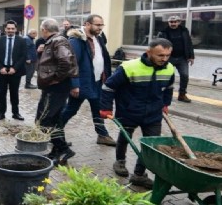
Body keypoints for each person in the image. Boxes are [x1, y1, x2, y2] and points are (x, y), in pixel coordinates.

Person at [100, 38, 175, 189]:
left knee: (150, 145)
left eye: (168, 55)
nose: (164, 59)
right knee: (124, 138)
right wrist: (106, 108)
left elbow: (169, 88)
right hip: (129, 110)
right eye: (160, 55)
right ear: (149, 52)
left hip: (153, 113)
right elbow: (108, 86)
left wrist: (165, 104)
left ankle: (139, 175)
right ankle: (120, 161)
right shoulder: (129, 67)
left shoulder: (169, 68)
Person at [61, 14, 116, 146]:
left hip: (97, 82)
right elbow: (72, 64)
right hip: (82, 83)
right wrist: (74, 85)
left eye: (102, 25)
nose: (100, 28)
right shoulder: (77, 40)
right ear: (87, 24)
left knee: (98, 108)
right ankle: (53, 132)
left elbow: (103, 58)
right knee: (71, 109)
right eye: (97, 25)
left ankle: (102, 135)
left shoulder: (98, 38)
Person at [35, 18, 78, 165]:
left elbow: (65, 62)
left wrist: (56, 79)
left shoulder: (58, 41)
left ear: (45, 30)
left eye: (42, 30)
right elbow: (52, 61)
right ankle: (58, 150)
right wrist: (41, 52)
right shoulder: (53, 41)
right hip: (53, 87)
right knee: (55, 120)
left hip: (56, 88)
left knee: (45, 120)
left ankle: (64, 149)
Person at [0, 20, 28, 121]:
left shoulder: (21, 41)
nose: (10, 30)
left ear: (16, 29)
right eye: (8, 28)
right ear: (5, 29)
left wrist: (14, 68)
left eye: (12, 29)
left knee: (14, 93)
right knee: (1, 93)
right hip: (1, 71)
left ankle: (15, 113)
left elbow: (23, 56)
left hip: (15, 71)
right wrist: (0, 68)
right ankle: (1, 114)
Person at [157, 16, 194, 103]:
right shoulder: (163, 32)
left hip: (182, 58)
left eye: (175, 22)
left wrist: (191, 56)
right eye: (171, 22)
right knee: (166, 76)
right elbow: (158, 45)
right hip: (168, 58)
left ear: (179, 22)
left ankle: (182, 94)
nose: (173, 23)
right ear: (168, 22)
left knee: (185, 75)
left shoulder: (184, 31)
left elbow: (189, 43)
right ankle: (161, 93)